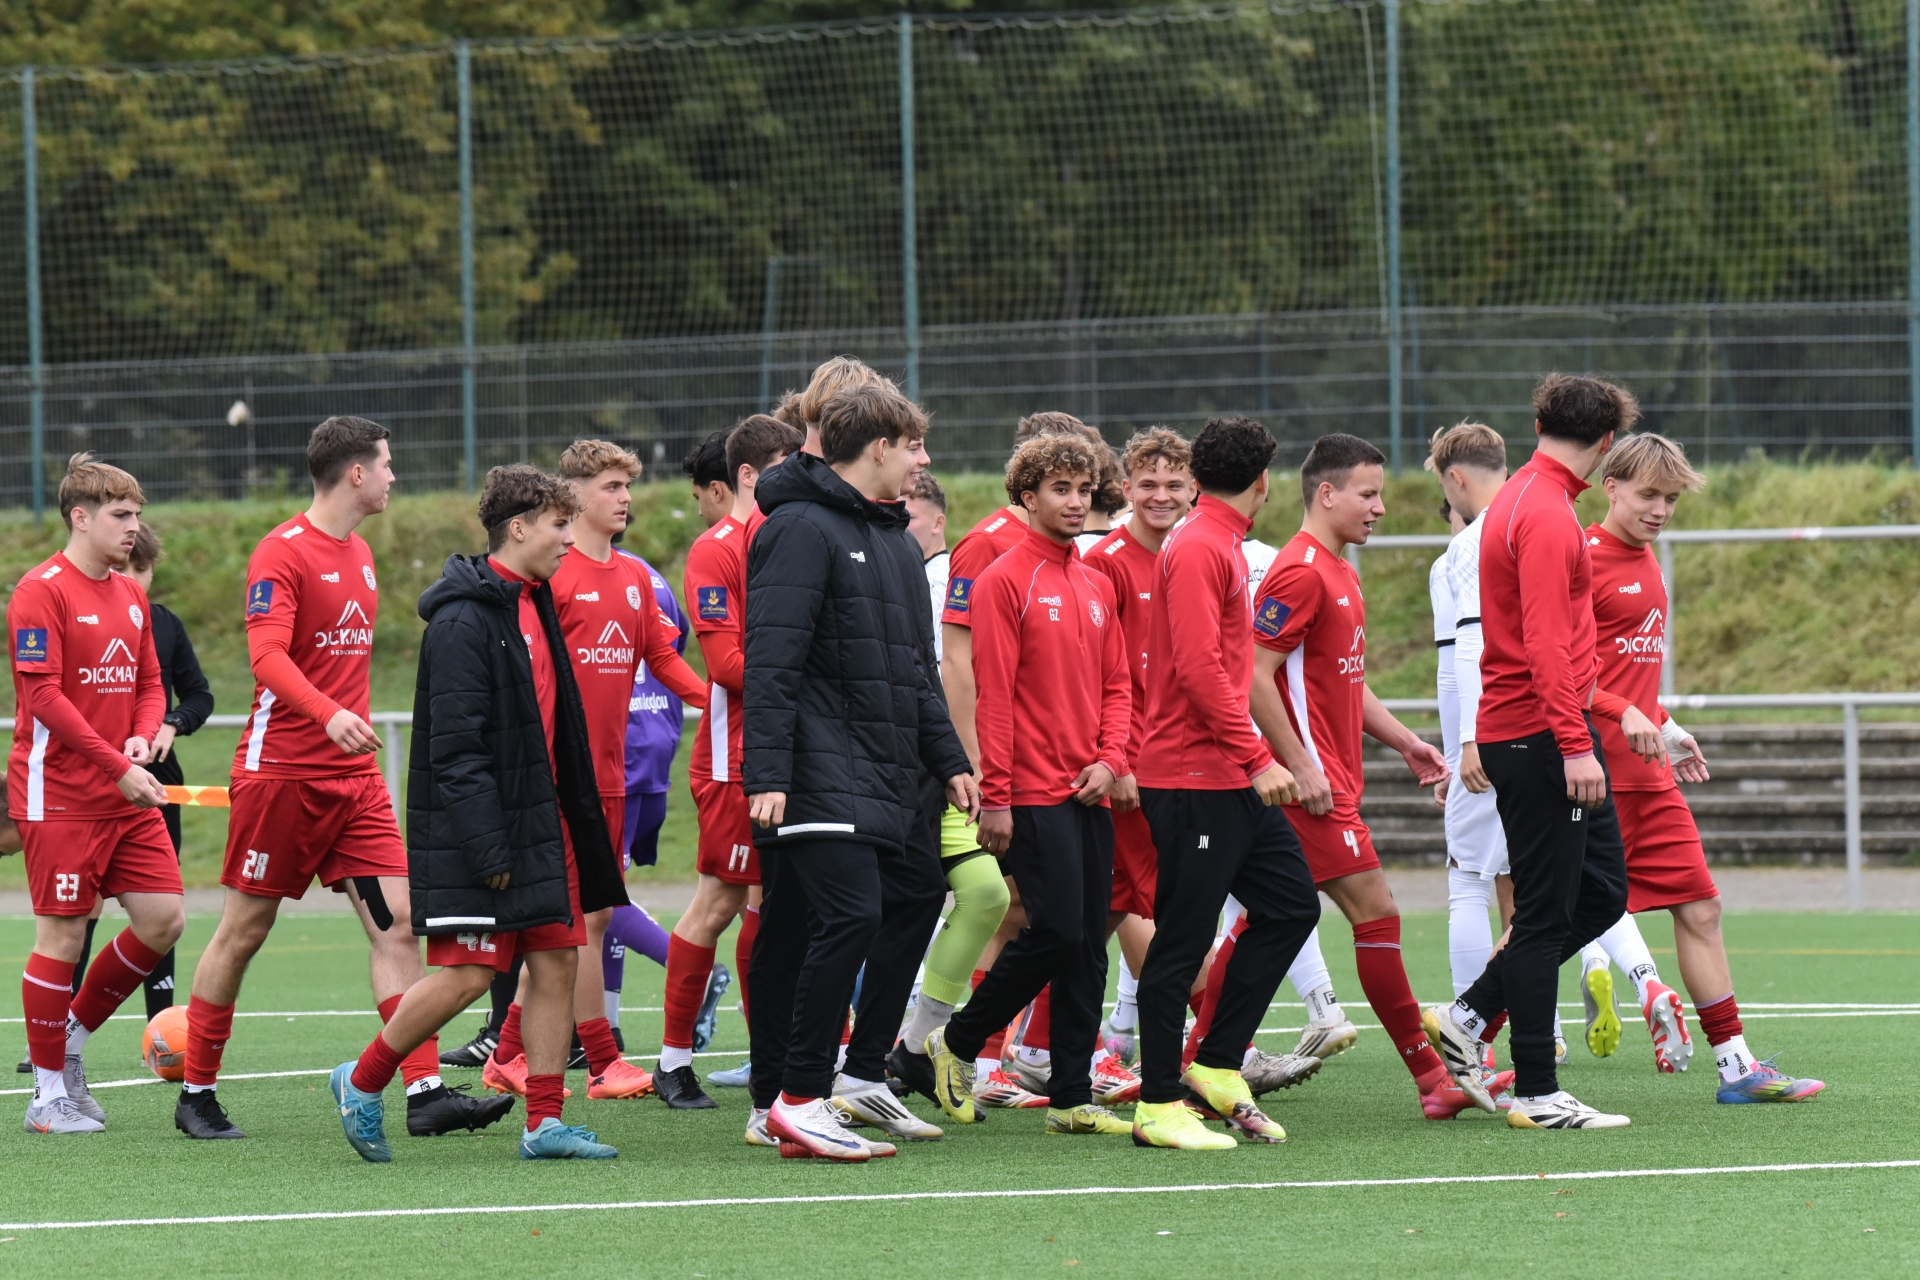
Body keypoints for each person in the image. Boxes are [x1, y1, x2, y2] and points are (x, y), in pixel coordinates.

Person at [181, 418, 487, 1140]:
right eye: (386, 464)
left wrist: (341, 724)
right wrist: (327, 714)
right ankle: (195, 1091)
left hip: (355, 782)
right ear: (355, 472)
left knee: (398, 924)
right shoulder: (281, 552)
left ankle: (423, 1093)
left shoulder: (362, 554)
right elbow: (266, 658)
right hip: (281, 778)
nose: (393, 477)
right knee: (244, 930)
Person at [330, 465, 622, 1162]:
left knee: (556, 961)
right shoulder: (462, 621)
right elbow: (457, 752)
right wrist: (490, 847)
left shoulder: (536, 600)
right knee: (467, 976)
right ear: (518, 528)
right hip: (487, 837)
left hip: (543, 826)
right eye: (559, 525)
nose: (569, 539)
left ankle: (544, 1123)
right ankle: (362, 1082)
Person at [1237, 433, 1505, 1121]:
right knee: (1375, 913)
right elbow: (1253, 676)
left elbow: (1345, 682)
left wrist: (1407, 743)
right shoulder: (1300, 572)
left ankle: (1197, 1060)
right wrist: (1300, 764)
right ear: (1326, 494)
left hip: (1327, 781)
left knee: (1265, 921)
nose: (1380, 507)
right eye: (1368, 494)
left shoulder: (1339, 571)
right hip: (1310, 790)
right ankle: (1433, 1079)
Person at [743, 380, 978, 1161]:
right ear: (879, 448)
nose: (924, 459)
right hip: (812, 770)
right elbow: (771, 661)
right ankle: (796, 1097)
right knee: (844, 917)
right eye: (914, 445)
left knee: (905, 896)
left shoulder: (896, 543)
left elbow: (914, 671)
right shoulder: (797, 529)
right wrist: (767, 773)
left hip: (883, 770)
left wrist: (949, 760)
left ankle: (839, 1083)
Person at [1572, 434, 1824, 1103]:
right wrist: (1624, 711)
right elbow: (1558, 671)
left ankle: (1737, 1066)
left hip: (1648, 773)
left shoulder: (1649, 558)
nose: (1660, 509)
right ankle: (1473, 1026)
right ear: (1611, 488)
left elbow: (1625, 671)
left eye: (1671, 499)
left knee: (1701, 907)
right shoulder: (1582, 559)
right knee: (1550, 920)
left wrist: (1663, 721)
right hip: (1591, 775)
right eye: (1648, 495)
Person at [1425, 373, 1637, 1131]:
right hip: (1543, 734)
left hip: (1536, 728)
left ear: (1539, 424)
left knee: (1602, 894)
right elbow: (1546, 642)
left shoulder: (1521, 495)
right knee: (1545, 914)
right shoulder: (1544, 511)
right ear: (1607, 442)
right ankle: (1539, 1092)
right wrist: (1576, 746)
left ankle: (1470, 1015)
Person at [481, 438, 704, 1105]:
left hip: (612, 778)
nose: (625, 498)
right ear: (574, 495)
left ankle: (506, 1052)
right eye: (611, 486)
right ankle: (601, 1060)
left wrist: (719, 696)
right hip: (558, 780)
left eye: (627, 486)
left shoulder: (634, 577)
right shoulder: (552, 576)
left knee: (585, 918)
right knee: (579, 921)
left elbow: (662, 658)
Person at [924, 434, 1134, 1136]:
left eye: (1084, 490)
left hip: (1089, 790)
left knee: (1087, 945)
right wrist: (999, 795)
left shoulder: (1095, 581)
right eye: (1059, 490)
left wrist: (1111, 759)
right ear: (1027, 495)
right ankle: (956, 1040)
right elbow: (994, 696)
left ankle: (1071, 1097)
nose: (1075, 503)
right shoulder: (1003, 579)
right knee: (1058, 932)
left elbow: (1117, 685)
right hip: (1032, 794)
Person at [1130, 416, 1321, 1150]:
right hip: (1193, 776)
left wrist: (1249, 760)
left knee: (1290, 904)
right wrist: (1258, 756)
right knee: (1182, 942)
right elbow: (1198, 668)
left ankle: (1214, 1063)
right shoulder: (1201, 545)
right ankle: (1157, 1104)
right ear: (1264, 481)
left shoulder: (1217, 541)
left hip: (1224, 775)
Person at [9, 454, 183, 1135]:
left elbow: (150, 684)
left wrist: (140, 737)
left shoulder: (131, 595)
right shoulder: (40, 591)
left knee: (163, 919)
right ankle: (47, 1096)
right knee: (63, 932)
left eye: (137, 514)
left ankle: (69, 1041)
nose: (133, 527)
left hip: (123, 790)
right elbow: (44, 698)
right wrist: (116, 764)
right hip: (60, 796)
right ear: (80, 517)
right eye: (120, 514)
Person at [658, 413, 804, 1110]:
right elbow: (725, 665)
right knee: (720, 901)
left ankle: (774, 1055)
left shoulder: (793, 537)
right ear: (747, 476)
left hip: (797, 750)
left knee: (779, 904)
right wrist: (813, 680)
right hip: (735, 760)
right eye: (783, 465)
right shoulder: (716, 550)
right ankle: (673, 1060)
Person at [887, 472, 1016, 1112]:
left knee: (990, 896)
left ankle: (916, 1047)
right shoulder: (974, 553)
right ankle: (828, 1067)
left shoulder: (959, 568)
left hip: (950, 768)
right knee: (872, 913)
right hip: (900, 771)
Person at [599, 546, 691, 1049]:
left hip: (616, 751)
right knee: (607, 889)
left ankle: (694, 971)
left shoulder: (589, 575)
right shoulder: (650, 575)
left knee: (594, 896)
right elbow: (675, 648)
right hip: (655, 742)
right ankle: (606, 1028)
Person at [127, 523, 213, 1021]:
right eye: (123, 568)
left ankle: (159, 1030)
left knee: (161, 908)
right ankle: (58, 1035)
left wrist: (172, 722)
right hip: (96, 777)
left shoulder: (165, 625)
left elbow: (199, 695)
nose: (133, 579)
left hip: (159, 781)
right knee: (80, 912)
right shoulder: (81, 619)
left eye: (141, 569)